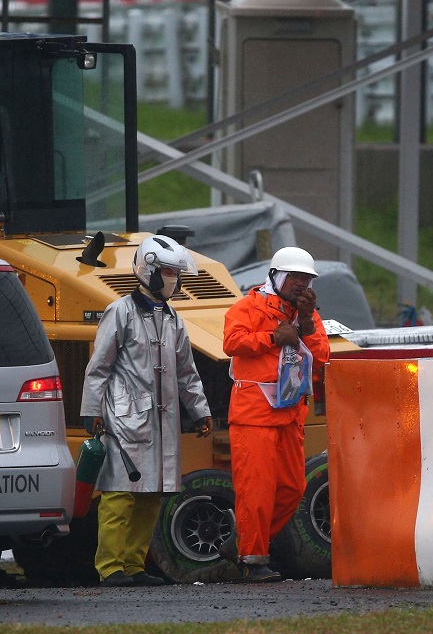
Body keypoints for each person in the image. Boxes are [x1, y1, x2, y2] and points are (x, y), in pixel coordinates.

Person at [80, 234, 213, 587]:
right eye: (168, 270)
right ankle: (110, 568)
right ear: (148, 270)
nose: (174, 278)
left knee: (152, 494)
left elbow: (187, 371)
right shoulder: (119, 312)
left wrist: (200, 410)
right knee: (119, 496)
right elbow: (99, 367)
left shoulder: (173, 319)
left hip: (161, 421)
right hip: (124, 420)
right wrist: (91, 410)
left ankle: (135, 565)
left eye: (175, 272)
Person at [221, 246, 330, 582]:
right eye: (294, 277)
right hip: (254, 413)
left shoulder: (306, 315)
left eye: (307, 279)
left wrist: (307, 321)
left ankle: (243, 542)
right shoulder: (248, 306)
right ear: (277, 276)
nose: (301, 284)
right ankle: (252, 559)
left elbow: (323, 355)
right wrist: (272, 336)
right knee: (256, 489)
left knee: (292, 489)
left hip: (290, 414)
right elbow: (231, 342)